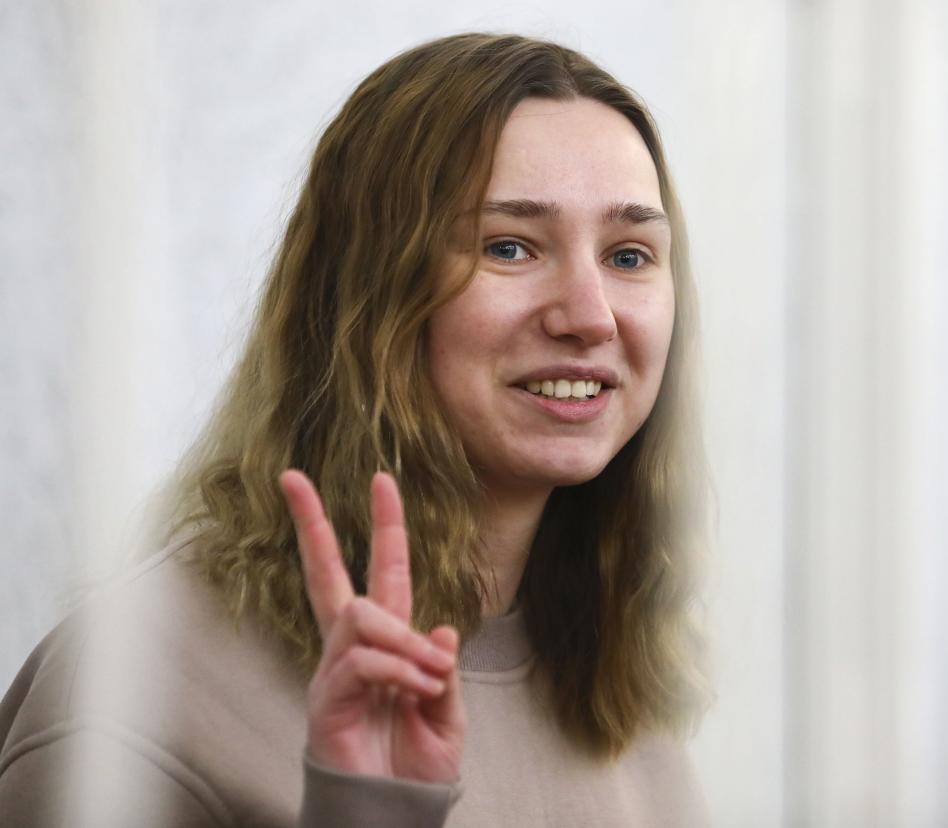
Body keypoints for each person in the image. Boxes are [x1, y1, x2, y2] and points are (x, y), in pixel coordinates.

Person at [0, 33, 711, 826]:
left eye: (630, 255)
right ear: (367, 296)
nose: (589, 315)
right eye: (508, 246)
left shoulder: (613, 678)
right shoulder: (137, 692)